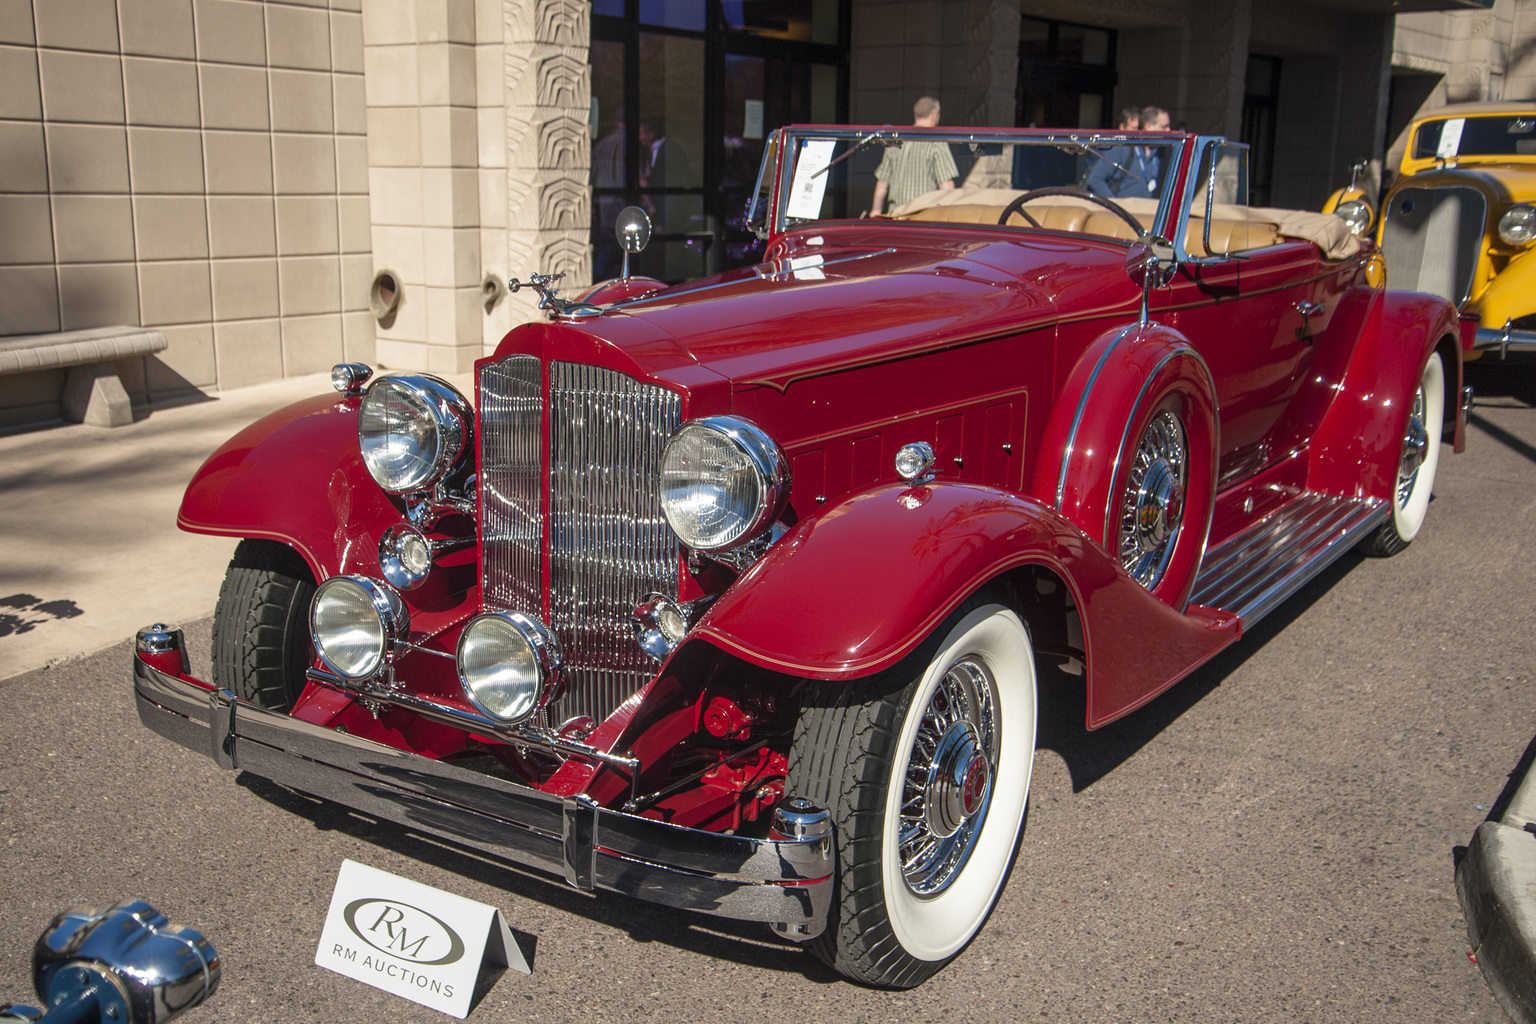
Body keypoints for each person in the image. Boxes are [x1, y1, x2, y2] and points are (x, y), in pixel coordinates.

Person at [871, 96, 958, 214]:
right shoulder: (936, 142)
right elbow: (946, 185)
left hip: (895, 215)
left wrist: (876, 211)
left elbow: (882, 183)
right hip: (922, 217)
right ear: (934, 114)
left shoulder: (896, 140)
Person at [1086, 104, 1172, 199]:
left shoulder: (1160, 153)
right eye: (1164, 126)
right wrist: (1115, 205)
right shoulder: (1122, 149)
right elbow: (1095, 179)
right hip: (1123, 211)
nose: (1169, 130)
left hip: (1149, 210)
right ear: (1148, 126)